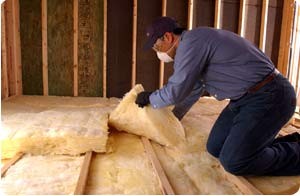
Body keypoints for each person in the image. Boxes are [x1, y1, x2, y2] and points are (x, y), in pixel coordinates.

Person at [135, 17, 300, 176]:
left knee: (234, 162)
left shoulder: (191, 43)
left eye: (157, 47)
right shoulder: (194, 43)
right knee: (216, 147)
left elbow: (176, 91)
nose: (158, 53)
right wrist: (172, 120)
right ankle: (289, 142)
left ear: (168, 37)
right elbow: (192, 90)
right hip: (245, 98)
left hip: (271, 96)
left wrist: (151, 98)